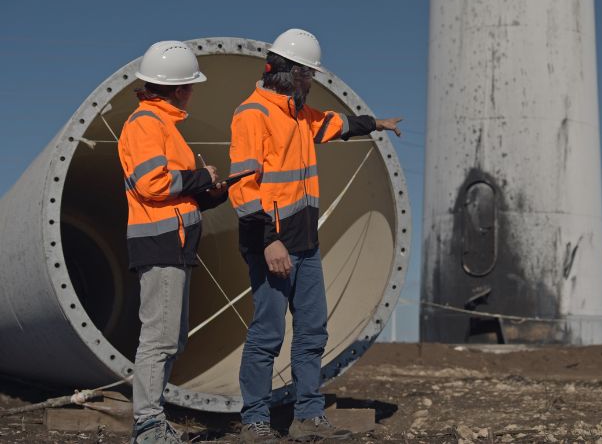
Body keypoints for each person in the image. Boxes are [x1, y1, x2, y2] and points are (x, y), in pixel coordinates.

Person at [228, 28, 402, 442]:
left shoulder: (299, 115)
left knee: (312, 331)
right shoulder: (252, 114)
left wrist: (374, 123)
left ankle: (309, 415)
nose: (312, 84)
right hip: (270, 243)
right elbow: (242, 187)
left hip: (304, 244)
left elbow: (335, 124)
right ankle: (255, 420)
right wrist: (269, 239)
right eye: (308, 77)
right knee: (268, 334)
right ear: (290, 73)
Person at [118, 40, 228, 444]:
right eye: (191, 86)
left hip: (174, 241)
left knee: (171, 338)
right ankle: (148, 426)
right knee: (160, 338)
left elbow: (172, 191)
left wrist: (209, 193)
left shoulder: (163, 126)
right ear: (179, 88)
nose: (193, 93)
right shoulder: (146, 124)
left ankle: (152, 420)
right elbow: (151, 184)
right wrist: (201, 178)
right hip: (161, 242)